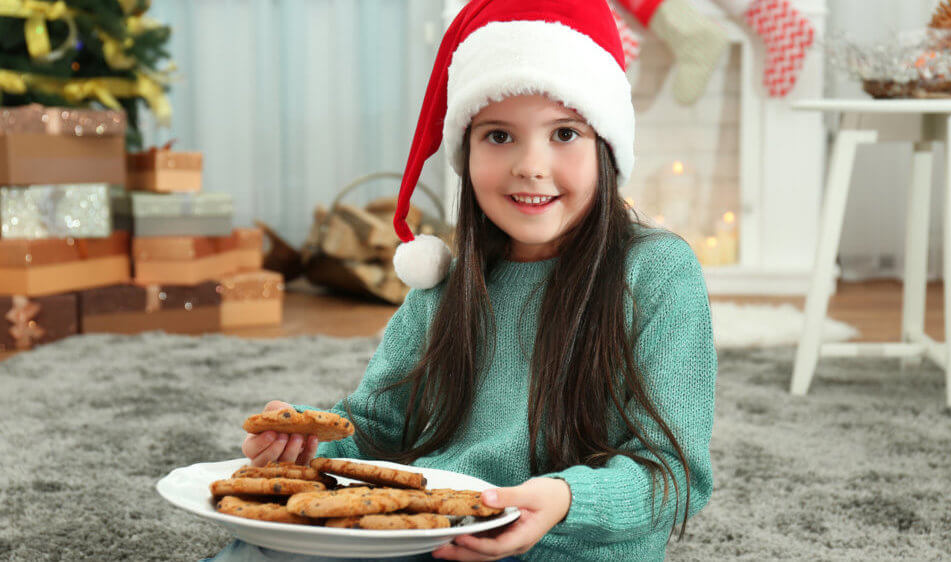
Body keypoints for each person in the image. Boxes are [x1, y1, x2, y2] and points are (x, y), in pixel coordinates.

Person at [211, 1, 716, 560]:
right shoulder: (446, 281)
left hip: (569, 547)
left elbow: (674, 476)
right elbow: (378, 425)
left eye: (565, 133)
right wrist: (305, 440)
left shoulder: (658, 271)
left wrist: (566, 500)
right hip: (430, 539)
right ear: (466, 151)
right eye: (499, 136)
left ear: (606, 146)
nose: (531, 164)